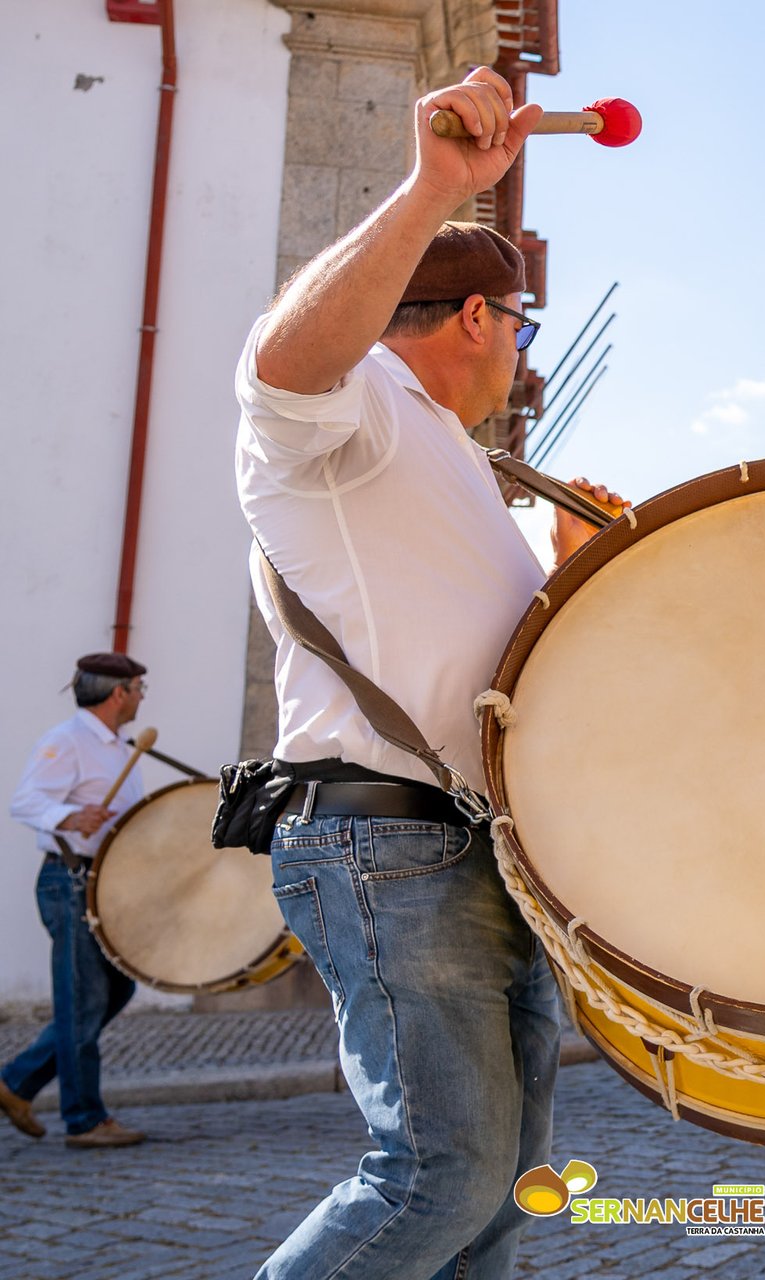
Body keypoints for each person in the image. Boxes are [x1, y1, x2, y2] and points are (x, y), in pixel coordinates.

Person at [236, 67, 622, 1280]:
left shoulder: (452, 464)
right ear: (475, 318)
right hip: (385, 841)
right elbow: (279, 367)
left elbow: (500, 679)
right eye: (519, 323)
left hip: (460, 845)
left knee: (502, 1192)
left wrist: (572, 570)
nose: (517, 349)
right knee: (440, 1173)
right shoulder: (362, 405)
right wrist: (432, 187)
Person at [0, 653, 148, 1149]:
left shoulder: (114, 745)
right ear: (118, 693)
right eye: (138, 687)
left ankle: (16, 1082)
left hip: (102, 886)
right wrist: (68, 817)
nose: (142, 695)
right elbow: (26, 799)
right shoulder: (67, 741)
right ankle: (85, 1118)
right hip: (69, 882)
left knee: (112, 992)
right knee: (83, 998)